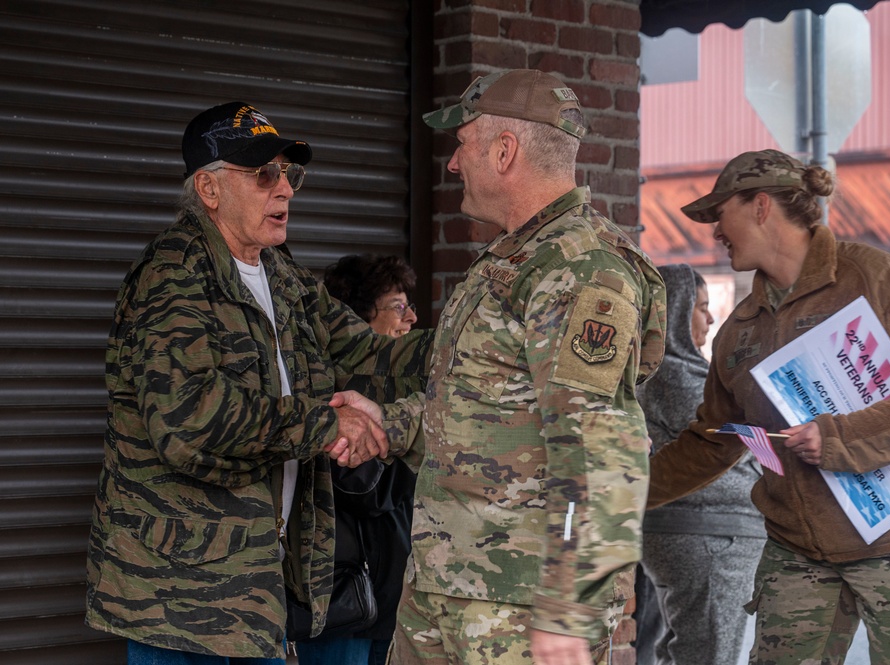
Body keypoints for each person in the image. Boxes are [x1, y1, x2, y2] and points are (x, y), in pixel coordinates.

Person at [84, 102, 432, 664]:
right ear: (209, 188)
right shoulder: (174, 272)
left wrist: (483, 340)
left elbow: (371, 356)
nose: (286, 190)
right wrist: (325, 424)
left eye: (289, 174)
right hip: (181, 601)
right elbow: (189, 418)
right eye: (264, 174)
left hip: (257, 592)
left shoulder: (283, 276)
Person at [345, 68, 668, 665]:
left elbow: (600, 451)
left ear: (504, 150)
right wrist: (387, 428)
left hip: (520, 608)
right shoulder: (513, 257)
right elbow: (482, 405)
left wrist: (569, 609)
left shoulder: (581, 270)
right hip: (448, 583)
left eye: (461, 143)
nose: (451, 163)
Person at [645, 149, 890, 664]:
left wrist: (840, 436)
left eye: (721, 213)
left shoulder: (876, 279)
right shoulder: (738, 332)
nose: (714, 230)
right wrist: (621, 493)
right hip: (797, 550)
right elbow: (712, 441)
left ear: (761, 206)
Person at [633, 265, 765, 665]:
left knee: (685, 649)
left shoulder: (682, 371)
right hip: (708, 538)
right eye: (700, 307)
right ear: (674, 311)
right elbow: (731, 445)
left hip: (704, 533)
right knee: (708, 655)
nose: (710, 318)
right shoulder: (674, 375)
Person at [296, 254, 422, 665]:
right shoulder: (334, 391)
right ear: (358, 320)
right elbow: (364, 487)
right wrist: (416, 446)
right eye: (398, 306)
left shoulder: (390, 391)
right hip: (346, 595)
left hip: (385, 595)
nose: (412, 317)